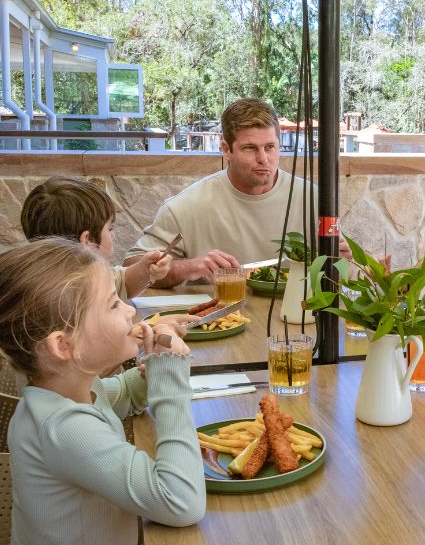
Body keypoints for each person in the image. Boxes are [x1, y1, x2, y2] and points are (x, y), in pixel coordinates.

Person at [0, 238, 206, 544]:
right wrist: (171, 384)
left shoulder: (67, 390)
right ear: (64, 345)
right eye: (113, 303)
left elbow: (121, 393)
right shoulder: (65, 428)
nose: (128, 310)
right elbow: (181, 501)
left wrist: (152, 373)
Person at [124, 98, 320, 287]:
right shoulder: (187, 206)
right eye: (250, 148)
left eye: (270, 147)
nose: (263, 159)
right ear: (226, 150)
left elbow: (340, 273)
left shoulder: (313, 199)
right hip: (220, 316)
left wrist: (341, 261)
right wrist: (187, 267)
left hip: (298, 316)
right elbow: (131, 267)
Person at [21, 176, 172, 299]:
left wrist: (145, 271)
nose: (112, 234)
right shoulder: (70, 295)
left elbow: (120, 282)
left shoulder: (83, 272)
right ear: (87, 240)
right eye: (109, 228)